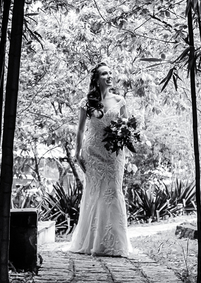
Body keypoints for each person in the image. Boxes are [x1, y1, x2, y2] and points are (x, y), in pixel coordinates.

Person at [68, 62, 133, 257]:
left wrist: (123, 140)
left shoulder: (120, 101)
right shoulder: (87, 102)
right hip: (93, 152)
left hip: (114, 154)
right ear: (96, 79)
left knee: (113, 192)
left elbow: (127, 128)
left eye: (111, 72)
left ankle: (115, 243)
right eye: (104, 73)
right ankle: (91, 242)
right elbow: (80, 130)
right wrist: (77, 153)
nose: (109, 76)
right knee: (94, 193)